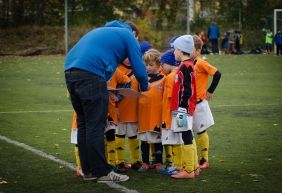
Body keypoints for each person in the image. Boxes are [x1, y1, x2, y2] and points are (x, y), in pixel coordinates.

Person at [64, 20, 149, 182]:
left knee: (84, 124)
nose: (135, 41)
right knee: (95, 124)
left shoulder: (101, 31)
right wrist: (145, 85)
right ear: (132, 33)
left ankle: (88, 171)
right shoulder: (127, 35)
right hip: (90, 74)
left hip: (70, 71)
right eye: (136, 38)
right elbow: (138, 66)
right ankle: (102, 172)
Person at [165, 35, 197, 179]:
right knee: (186, 134)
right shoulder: (185, 66)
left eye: (175, 49)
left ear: (181, 50)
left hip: (182, 109)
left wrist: (182, 108)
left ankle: (189, 170)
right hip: (182, 109)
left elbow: (187, 89)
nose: (173, 53)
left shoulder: (186, 66)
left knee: (185, 135)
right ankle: (193, 167)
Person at [192, 35, 221, 169]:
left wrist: (210, 91)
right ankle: (190, 159)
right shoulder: (184, 63)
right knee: (186, 133)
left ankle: (204, 159)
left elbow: (217, 73)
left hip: (199, 104)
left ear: (197, 51)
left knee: (201, 131)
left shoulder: (200, 63)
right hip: (186, 104)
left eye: (190, 49)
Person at [137, 49, 165, 173]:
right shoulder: (142, 79)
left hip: (156, 115)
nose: (148, 67)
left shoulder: (164, 79)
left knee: (157, 139)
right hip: (143, 114)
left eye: (151, 65)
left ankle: (158, 162)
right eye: (146, 65)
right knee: (144, 139)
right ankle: (145, 162)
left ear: (159, 65)